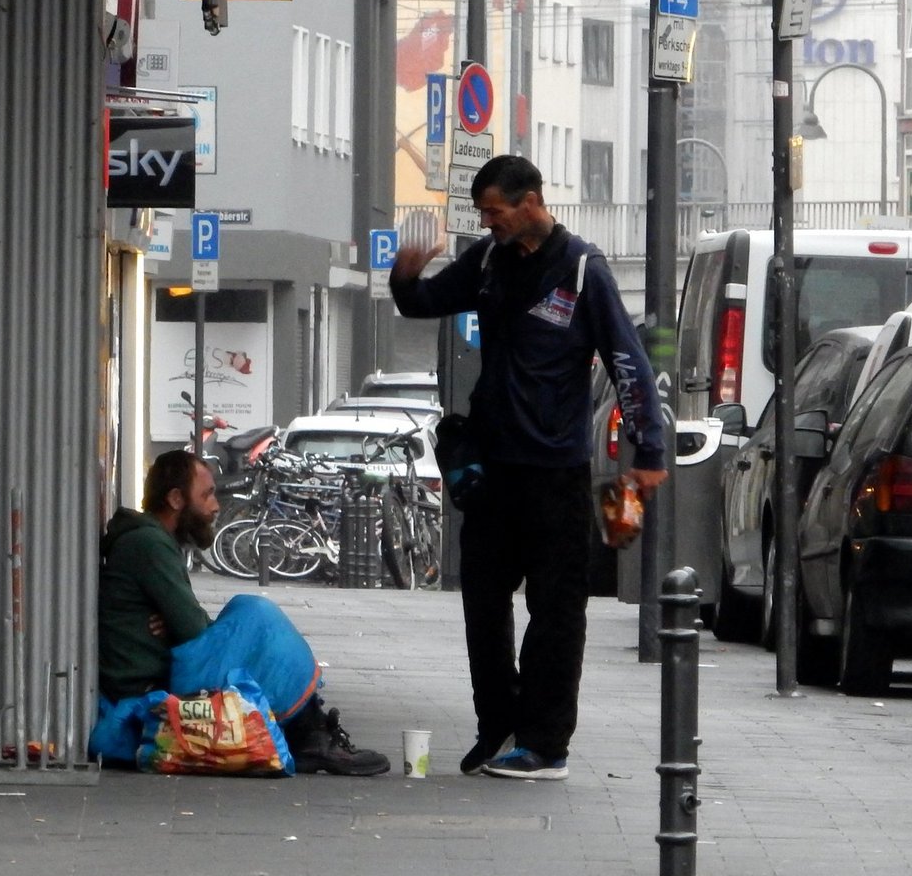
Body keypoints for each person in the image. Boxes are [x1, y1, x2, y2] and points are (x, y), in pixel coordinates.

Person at [389, 154, 668, 781]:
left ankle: (546, 744)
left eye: (494, 211)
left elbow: (628, 359)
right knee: (483, 605)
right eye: (483, 213)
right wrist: (406, 275)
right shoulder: (488, 263)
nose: (486, 223)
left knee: (557, 610)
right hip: (493, 468)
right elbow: (425, 301)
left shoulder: (581, 271)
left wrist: (648, 451)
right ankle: (499, 727)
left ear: (531, 201)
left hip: (555, 471)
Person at [97, 449, 389, 776]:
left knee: (243, 617)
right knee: (255, 616)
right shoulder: (148, 544)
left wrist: (175, 623)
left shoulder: (152, 540)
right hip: (149, 687)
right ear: (176, 499)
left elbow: (186, 625)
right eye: (206, 495)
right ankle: (312, 735)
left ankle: (306, 732)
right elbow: (194, 630)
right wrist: (182, 624)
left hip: (155, 672)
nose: (215, 506)